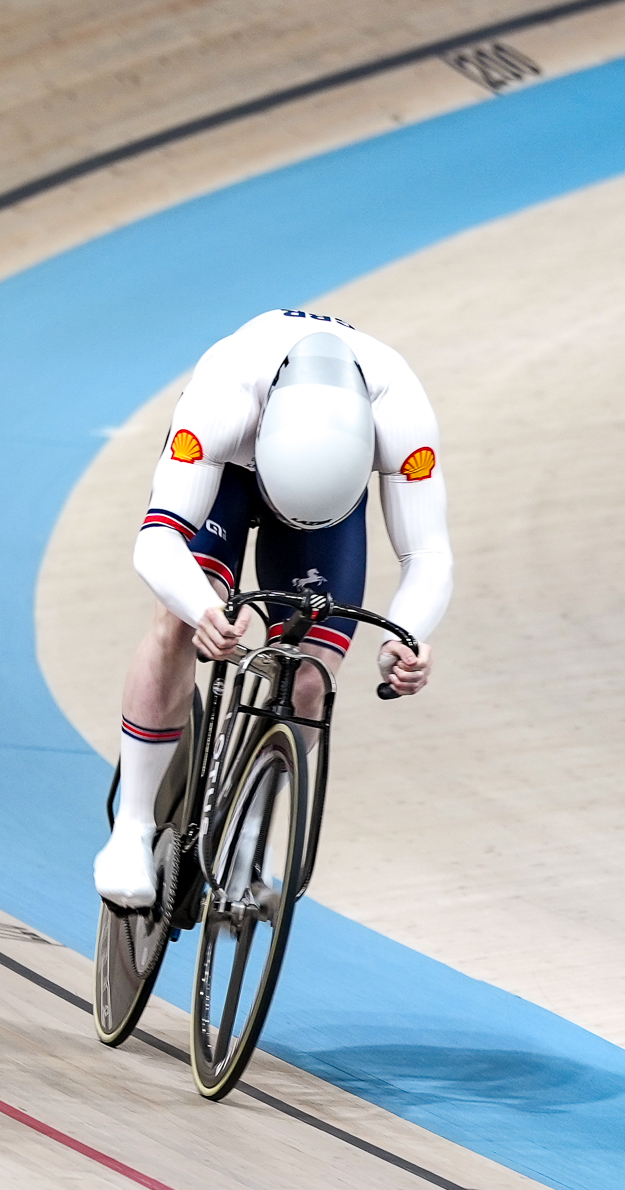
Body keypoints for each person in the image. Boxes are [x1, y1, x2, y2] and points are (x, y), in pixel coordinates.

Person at [93, 310, 453, 907]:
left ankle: (246, 836)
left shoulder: (400, 414)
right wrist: (200, 610)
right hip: (228, 476)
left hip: (330, 501)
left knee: (311, 680)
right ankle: (131, 826)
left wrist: (408, 635)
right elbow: (156, 543)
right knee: (179, 622)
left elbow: (428, 552)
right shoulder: (223, 396)